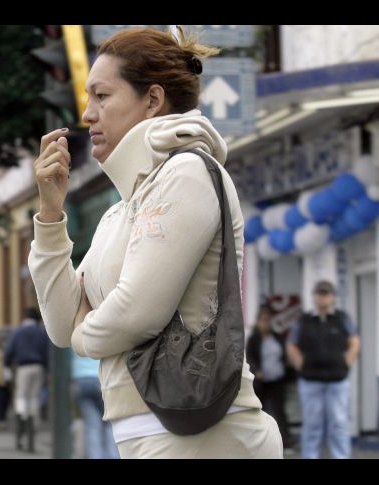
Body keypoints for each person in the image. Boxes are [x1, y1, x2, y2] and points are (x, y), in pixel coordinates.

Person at [27, 27, 281, 458]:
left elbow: (135, 313)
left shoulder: (186, 174)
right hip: (150, 436)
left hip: (206, 437)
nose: (88, 114)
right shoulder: (119, 210)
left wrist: (83, 335)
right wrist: (51, 216)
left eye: (102, 97)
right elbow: (58, 324)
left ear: (152, 99)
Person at [287, 280, 361, 459]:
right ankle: (310, 456)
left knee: (339, 423)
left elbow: (355, 341)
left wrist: (346, 363)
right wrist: (301, 364)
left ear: (333, 297)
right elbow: (291, 344)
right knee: (312, 425)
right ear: (314, 297)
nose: (323, 298)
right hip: (311, 382)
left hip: (338, 382)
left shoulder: (342, 318)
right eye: (320, 294)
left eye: (326, 294)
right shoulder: (304, 320)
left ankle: (340, 456)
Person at [247, 304, 293, 449]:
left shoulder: (277, 337)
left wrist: (288, 365)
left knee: (280, 412)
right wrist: (257, 370)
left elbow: (284, 355)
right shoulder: (254, 339)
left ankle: (284, 441)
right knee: (259, 412)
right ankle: (260, 443)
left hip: (277, 380)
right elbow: (250, 357)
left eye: (268, 320)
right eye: (263, 320)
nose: (266, 323)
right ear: (258, 321)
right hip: (261, 382)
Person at [4, 308, 50, 452]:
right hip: (39, 367)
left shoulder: (18, 332)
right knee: (34, 397)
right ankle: (32, 417)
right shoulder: (42, 332)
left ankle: (22, 417)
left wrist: (6, 365)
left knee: (21, 397)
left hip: (23, 367)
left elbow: (9, 350)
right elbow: (47, 352)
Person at [72, 354, 118, 459]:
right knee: (108, 423)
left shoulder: (73, 338)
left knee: (92, 426)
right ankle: (112, 456)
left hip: (80, 379)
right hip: (100, 378)